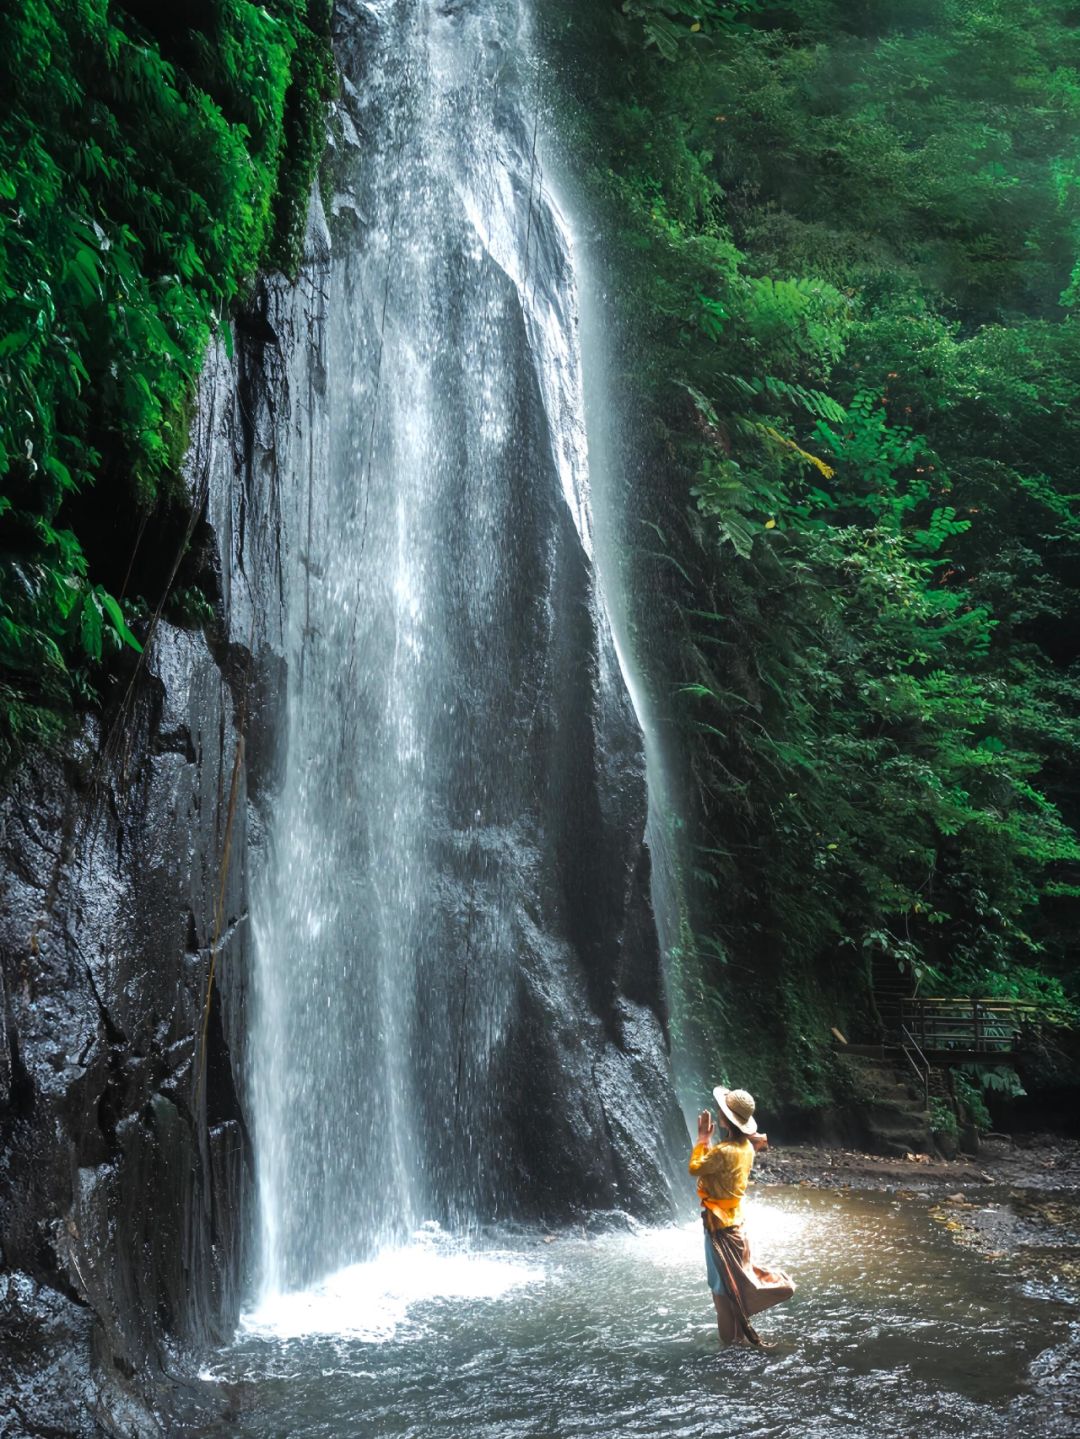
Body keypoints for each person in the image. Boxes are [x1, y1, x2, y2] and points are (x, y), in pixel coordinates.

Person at [689, 1086, 795, 1347]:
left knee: (721, 1297)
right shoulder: (746, 1147)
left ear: (725, 1119)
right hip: (737, 1226)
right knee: (731, 1291)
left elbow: (695, 1168)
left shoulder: (723, 1151)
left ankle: (729, 1355)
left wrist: (703, 1139)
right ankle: (738, 1343)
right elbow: (720, 1167)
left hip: (719, 1229)